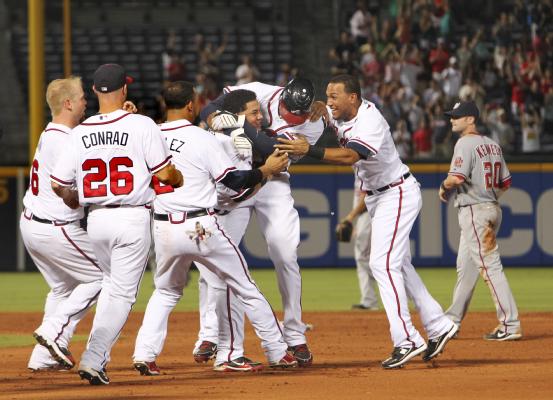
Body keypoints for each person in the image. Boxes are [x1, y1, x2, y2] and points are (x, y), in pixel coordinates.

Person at [275, 74, 458, 369]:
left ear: (353, 97)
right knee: (399, 265)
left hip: (396, 193)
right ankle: (437, 324)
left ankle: (407, 339)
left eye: (335, 96)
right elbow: (333, 120)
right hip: (378, 196)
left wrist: (309, 150)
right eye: (328, 95)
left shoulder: (369, 119)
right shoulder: (344, 114)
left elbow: (349, 155)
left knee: (381, 264)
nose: (330, 101)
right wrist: (323, 106)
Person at [132, 81, 297, 375]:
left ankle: (144, 353)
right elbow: (233, 182)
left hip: (164, 228)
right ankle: (264, 351)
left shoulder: (148, 135)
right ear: (191, 105)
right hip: (200, 226)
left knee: (166, 292)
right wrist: (266, 171)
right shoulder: (202, 139)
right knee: (243, 285)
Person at [50, 63, 184, 385]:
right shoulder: (142, 124)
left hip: (95, 219)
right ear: (124, 89)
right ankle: (94, 359)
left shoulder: (79, 131)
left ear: (95, 91)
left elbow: (58, 184)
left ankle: (94, 355)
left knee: (110, 288)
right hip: (131, 217)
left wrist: (76, 198)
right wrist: (177, 176)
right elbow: (166, 174)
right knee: (122, 295)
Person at [202, 78, 325, 367]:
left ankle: (294, 334)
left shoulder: (313, 125)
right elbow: (208, 108)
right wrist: (226, 118)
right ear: (282, 95)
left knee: (285, 254)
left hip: (273, 181)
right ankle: (209, 333)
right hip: (237, 179)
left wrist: (234, 121)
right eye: (286, 107)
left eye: (297, 113)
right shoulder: (263, 91)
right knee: (219, 256)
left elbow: (271, 149)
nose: (288, 114)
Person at [21, 77, 103, 372]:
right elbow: (82, 186)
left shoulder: (53, 132)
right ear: (68, 103)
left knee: (62, 288)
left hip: (33, 224)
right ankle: (54, 332)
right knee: (103, 279)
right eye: (81, 97)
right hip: (55, 227)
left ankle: (41, 357)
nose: (85, 102)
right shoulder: (67, 139)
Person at [440, 101, 522, 341]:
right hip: (491, 209)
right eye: (452, 115)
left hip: (475, 212)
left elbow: (455, 179)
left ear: (471, 119)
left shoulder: (464, 143)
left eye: (457, 116)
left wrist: (443, 185)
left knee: (490, 268)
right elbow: (506, 183)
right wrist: (490, 198)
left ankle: (510, 324)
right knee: (466, 269)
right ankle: (451, 322)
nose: (452, 119)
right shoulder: (492, 144)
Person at [340, 175, 379, 310]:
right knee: (363, 257)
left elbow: (367, 198)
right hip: (365, 216)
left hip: (371, 214)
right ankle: (369, 300)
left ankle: (371, 299)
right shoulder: (358, 170)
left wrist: (350, 217)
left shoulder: (365, 166)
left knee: (364, 257)